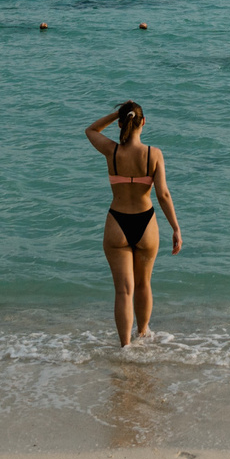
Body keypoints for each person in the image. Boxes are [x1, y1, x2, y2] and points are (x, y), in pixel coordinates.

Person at [85, 102, 179, 346]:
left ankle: (125, 347)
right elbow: (163, 195)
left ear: (121, 123)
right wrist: (175, 228)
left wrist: (116, 115)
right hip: (146, 223)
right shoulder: (153, 154)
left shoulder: (112, 151)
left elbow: (91, 131)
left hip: (117, 222)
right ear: (143, 122)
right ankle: (143, 333)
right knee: (143, 284)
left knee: (123, 291)